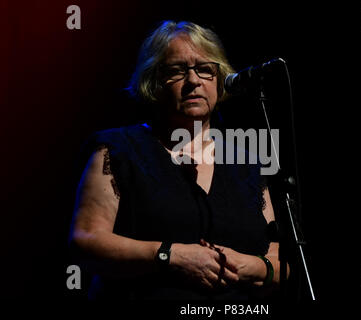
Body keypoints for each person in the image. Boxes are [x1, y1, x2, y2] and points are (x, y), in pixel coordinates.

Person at [69, 20, 287, 301]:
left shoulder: (249, 164)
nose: (194, 80)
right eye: (177, 71)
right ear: (153, 82)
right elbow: (85, 241)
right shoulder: (118, 150)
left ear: (220, 80)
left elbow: (283, 257)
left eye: (205, 69)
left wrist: (258, 268)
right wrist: (169, 254)